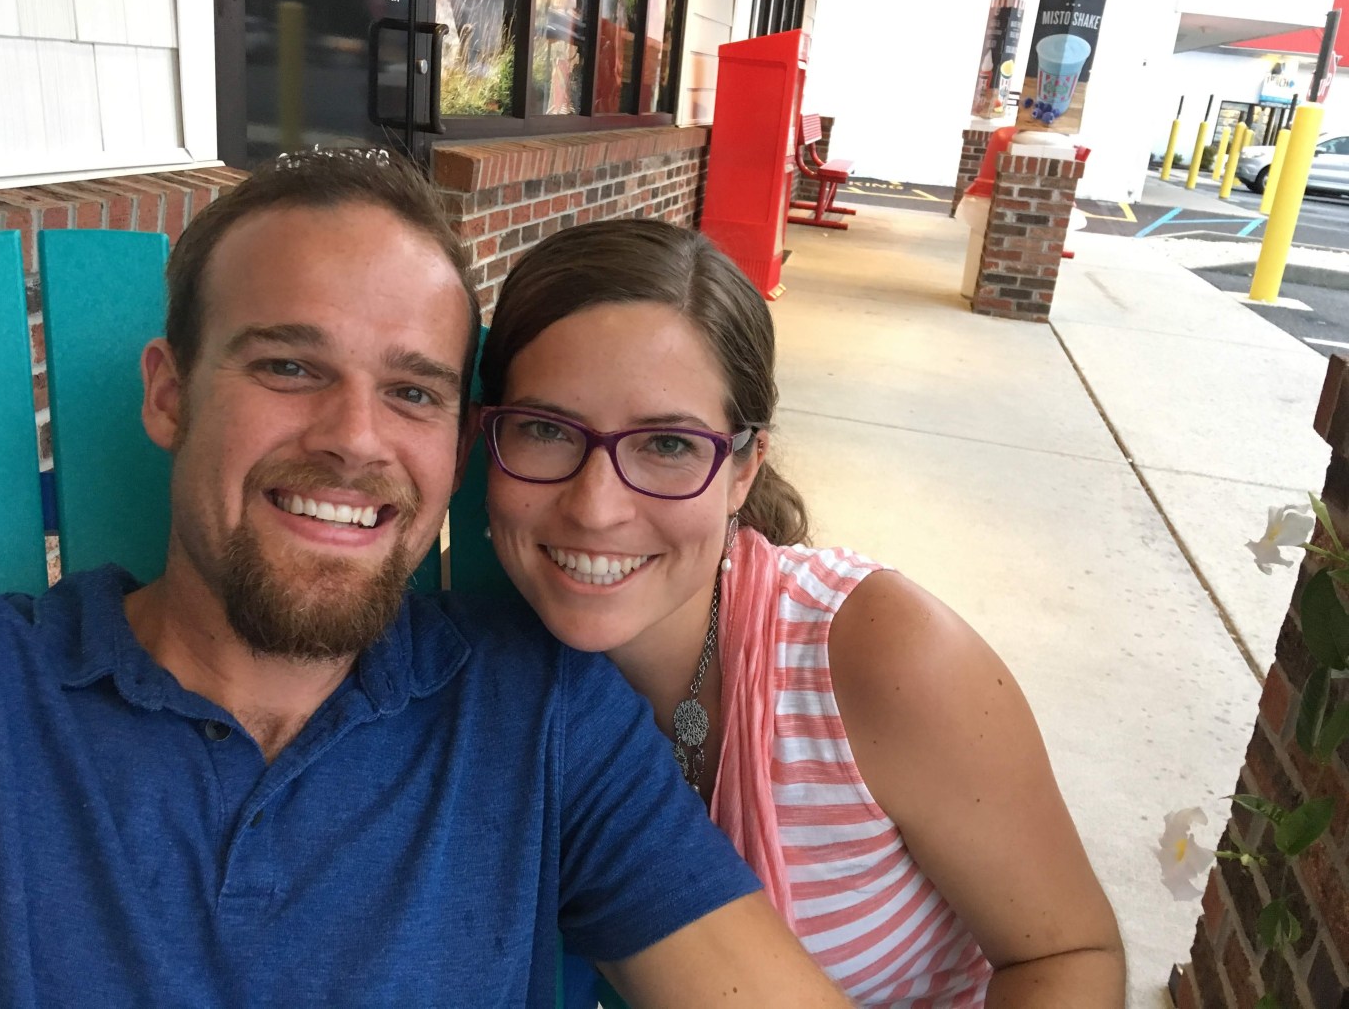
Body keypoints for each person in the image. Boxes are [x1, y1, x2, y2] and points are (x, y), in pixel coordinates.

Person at [0, 152, 851, 1008]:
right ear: (169, 396)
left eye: (414, 392)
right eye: (289, 367)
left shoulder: (540, 716)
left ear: (458, 451)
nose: (354, 438)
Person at [478, 218, 1128, 1007]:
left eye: (669, 445)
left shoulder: (884, 657)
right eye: (546, 430)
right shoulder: (460, 674)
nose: (596, 507)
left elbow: (1069, 953)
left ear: (744, 470)